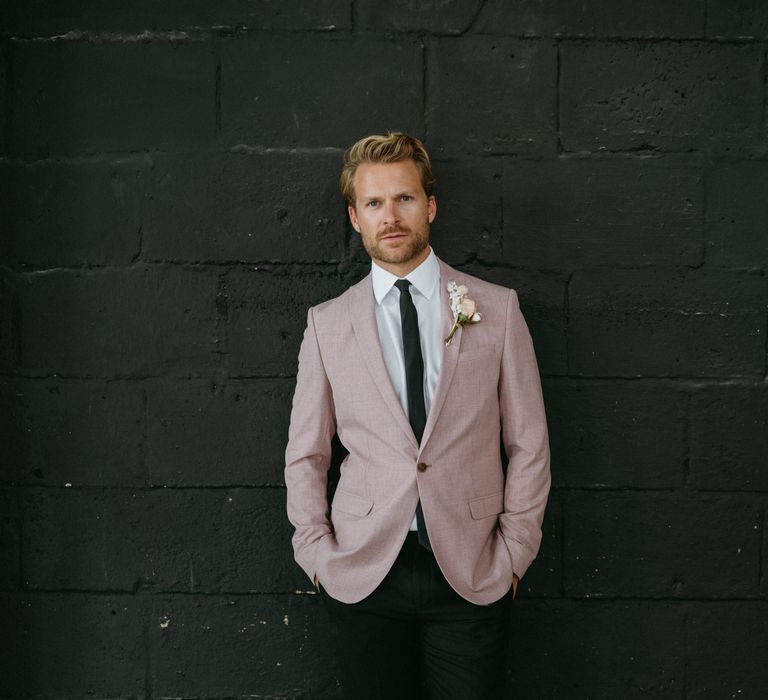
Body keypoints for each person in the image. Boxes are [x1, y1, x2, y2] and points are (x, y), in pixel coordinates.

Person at [285, 131, 550, 699]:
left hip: (473, 571)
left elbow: (528, 443)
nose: (391, 216)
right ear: (354, 217)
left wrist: (514, 556)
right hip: (362, 574)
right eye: (374, 203)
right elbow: (307, 453)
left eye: (404, 198)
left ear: (430, 206)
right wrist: (316, 556)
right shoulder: (327, 324)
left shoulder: (496, 309)